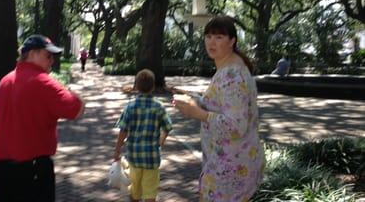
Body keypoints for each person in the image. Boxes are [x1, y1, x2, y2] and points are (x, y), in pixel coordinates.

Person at [173, 16, 264, 201]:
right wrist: (195, 99)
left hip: (230, 169)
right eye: (208, 36)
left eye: (219, 37)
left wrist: (198, 113)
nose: (211, 42)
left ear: (232, 41)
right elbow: (223, 105)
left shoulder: (232, 75)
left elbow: (235, 125)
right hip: (232, 164)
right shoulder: (230, 68)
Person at [0, 34, 85, 202]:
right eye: (48, 56)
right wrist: (75, 95)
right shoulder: (44, 82)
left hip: (2, 173)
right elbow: (76, 110)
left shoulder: (4, 81)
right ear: (32, 54)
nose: (52, 61)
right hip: (32, 173)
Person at [113, 69, 173, 202]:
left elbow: (123, 131)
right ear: (153, 87)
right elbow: (168, 127)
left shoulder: (130, 107)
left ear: (136, 87)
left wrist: (117, 150)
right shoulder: (159, 106)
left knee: (135, 191)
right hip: (152, 158)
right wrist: (161, 140)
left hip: (134, 157)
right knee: (150, 192)